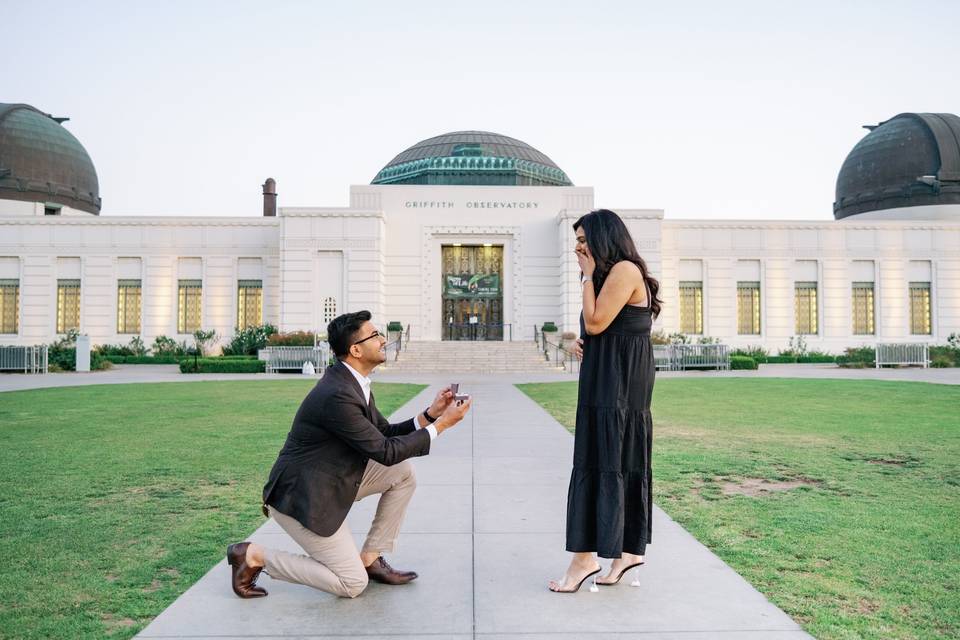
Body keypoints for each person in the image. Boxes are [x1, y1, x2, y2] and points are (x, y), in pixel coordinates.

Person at [227, 310, 472, 599]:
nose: (382, 340)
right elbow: (385, 450)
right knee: (351, 584)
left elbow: (384, 432)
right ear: (355, 349)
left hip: (333, 480)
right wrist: (443, 425)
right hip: (303, 498)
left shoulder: (353, 382)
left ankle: (370, 559)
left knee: (402, 474)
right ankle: (253, 556)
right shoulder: (337, 394)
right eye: (375, 335)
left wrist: (431, 414)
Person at [549, 209, 662, 593]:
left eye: (583, 240)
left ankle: (585, 558)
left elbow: (597, 321)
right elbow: (599, 328)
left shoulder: (624, 270)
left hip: (618, 384)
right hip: (607, 376)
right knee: (607, 457)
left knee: (606, 457)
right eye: (576, 241)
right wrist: (585, 342)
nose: (578, 247)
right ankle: (626, 550)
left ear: (603, 238)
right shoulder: (608, 275)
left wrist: (584, 277)